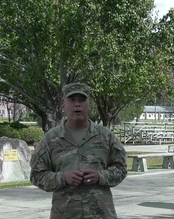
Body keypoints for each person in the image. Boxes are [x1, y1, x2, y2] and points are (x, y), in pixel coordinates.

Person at [30, 82, 127, 219]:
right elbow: (36, 176)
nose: (77, 104)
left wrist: (100, 176)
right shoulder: (50, 139)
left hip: (101, 214)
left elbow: (121, 169)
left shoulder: (106, 136)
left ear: (89, 106)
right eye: (72, 100)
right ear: (63, 106)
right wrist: (63, 177)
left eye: (82, 100)